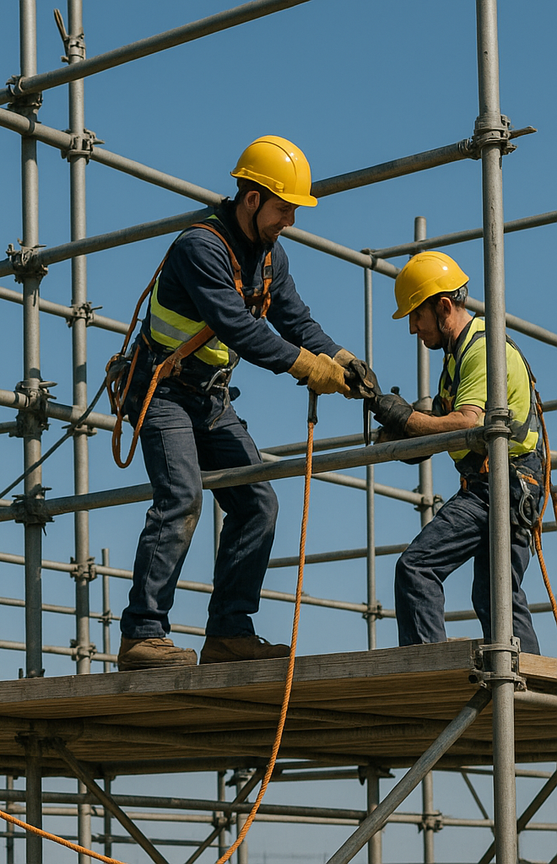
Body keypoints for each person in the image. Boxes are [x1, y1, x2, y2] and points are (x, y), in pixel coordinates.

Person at [114, 135, 375, 671]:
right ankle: (142, 633)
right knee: (181, 499)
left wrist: (344, 361)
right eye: (284, 209)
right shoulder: (200, 247)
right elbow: (239, 328)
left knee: (257, 501)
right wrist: (308, 367)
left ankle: (230, 631)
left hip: (209, 396)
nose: (291, 222)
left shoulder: (270, 257)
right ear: (251, 199)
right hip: (163, 390)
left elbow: (296, 321)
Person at [372, 251, 542, 654]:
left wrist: (410, 423)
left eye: (417, 315)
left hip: (502, 482)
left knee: (417, 567)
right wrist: (403, 429)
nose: (413, 328)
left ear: (443, 306)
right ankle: (537, 697)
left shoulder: (482, 350)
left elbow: (468, 423)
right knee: (497, 598)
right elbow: (444, 418)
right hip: (510, 484)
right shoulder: (458, 357)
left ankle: (426, 673)